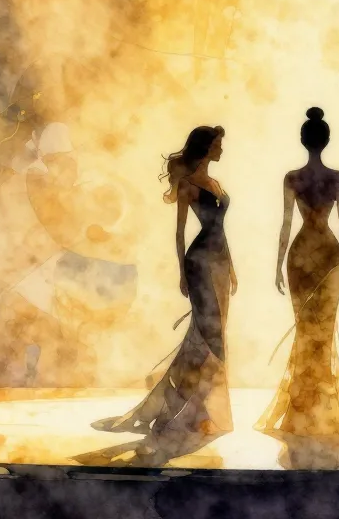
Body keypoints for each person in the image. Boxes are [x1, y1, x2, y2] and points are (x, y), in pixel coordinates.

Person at [92, 125, 235, 462]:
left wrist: (231, 267)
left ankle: (190, 408)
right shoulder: (189, 186)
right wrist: (183, 272)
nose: (221, 150)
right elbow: (180, 233)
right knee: (209, 338)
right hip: (200, 264)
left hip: (218, 263)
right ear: (206, 147)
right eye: (217, 145)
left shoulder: (216, 183)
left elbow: (221, 230)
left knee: (207, 338)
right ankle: (187, 411)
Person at [256, 107, 339, 468]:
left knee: (307, 333)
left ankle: (304, 412)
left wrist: (278, 263)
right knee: (321, 335)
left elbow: (287, 224)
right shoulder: (337, 178)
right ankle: (320, 412)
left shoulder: (293, 177)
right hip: (329, 253)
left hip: (301, 254)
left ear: (303, 140)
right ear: (326, 140)